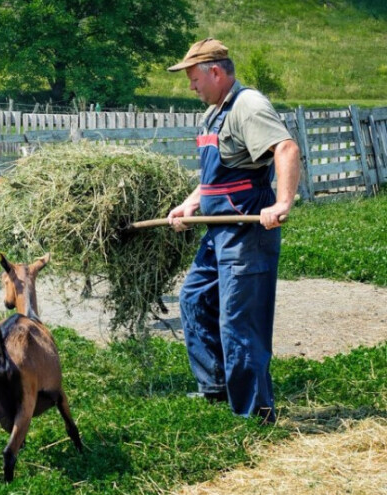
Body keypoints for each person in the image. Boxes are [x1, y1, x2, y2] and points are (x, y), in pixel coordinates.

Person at [165, 38, 301, 424]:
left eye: (194, 79)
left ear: (216, 72)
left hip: (246, 231)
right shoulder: (213, 113)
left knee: (240, 322)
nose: (192, 87)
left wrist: (283, 203)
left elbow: (286, 149)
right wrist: (192, 201)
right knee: (194, 299)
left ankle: (254, 412)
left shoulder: (248, 106)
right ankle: (216, 389)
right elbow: (217, 175)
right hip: (217, 231)